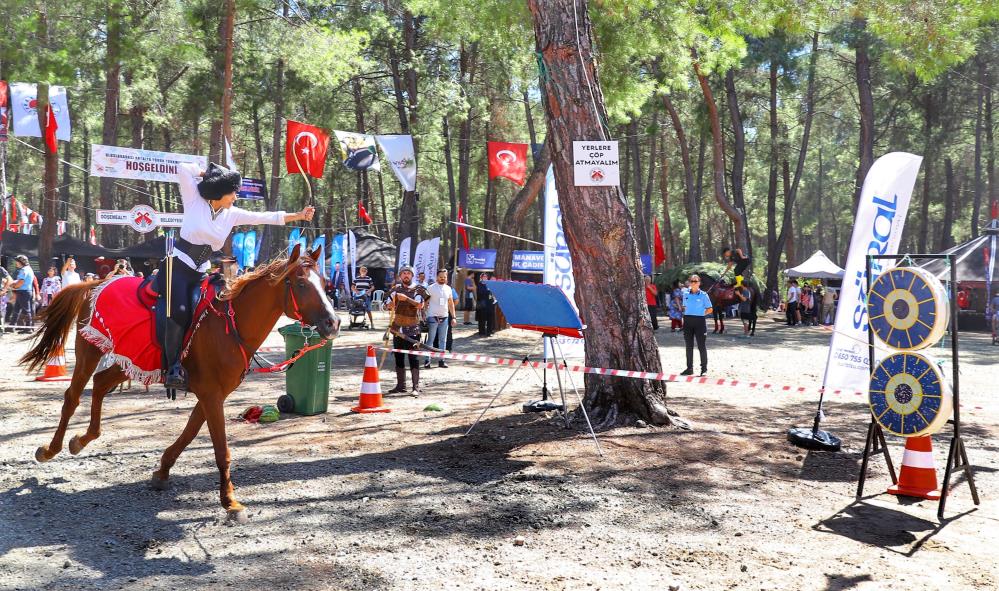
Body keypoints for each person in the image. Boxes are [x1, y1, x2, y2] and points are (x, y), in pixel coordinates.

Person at [158, 161, 315, 390]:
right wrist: (211, 174)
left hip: (202, 272)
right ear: (219, 190)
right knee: (179, 312)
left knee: (220, 310)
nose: (236, 196)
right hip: (177, 267)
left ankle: (208, 361)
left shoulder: (232, 214)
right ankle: (172, 367)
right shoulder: (194, 199)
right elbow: (183, 168)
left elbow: (265, 217)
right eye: (233, 190)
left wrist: (299, 215)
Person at [385, 265, 425, 395]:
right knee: (399, 357)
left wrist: (406, 299)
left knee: (414, 358)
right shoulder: (395, 289)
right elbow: (386, 306)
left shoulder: (419, 289)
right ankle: (401, 386)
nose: (406, 275)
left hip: (413, 330)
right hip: (397, 330)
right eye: (403, 273)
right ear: (400, 276)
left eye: (408, 273)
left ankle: (415, 387)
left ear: (412, 275)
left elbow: (420, 305)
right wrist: (389, 305)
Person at [681, 274, 713, 376]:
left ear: (699, 283)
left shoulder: (704, 295)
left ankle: (704, 369)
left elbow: (710, 309)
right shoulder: (685, 294)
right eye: (692, 281)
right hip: (687, 321)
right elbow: (684, 306)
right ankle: (689, 368)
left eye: (696, 281)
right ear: (690, 283)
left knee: (701, 346)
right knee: (688, 346)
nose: (694, 283)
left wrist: (700, 314)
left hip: (699, 322)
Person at [424, 269, 456, 368]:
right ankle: (427, 360)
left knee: (443, 340)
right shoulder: (430, 288)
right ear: (437, 277)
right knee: (431, 340)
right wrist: (424, 314)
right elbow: (425, 302)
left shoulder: (448, 289)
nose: (442, 278)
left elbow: (451, 304)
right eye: (441, 277)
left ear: (447, 278)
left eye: (444, 277)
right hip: (432, 317)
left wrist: (453, 317)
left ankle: (441, 360)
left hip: (445, 317)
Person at [10, 255, 36, 331]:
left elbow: (21, 282)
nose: (16, 263)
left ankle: (28, 328)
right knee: (16, 309)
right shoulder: (28, 269)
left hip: (23, 292)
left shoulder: (24, 270)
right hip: (25, 292)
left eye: (17, 261)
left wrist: (13, 286)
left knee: (27, 310)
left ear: (21, 262)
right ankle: (11, 326)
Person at [476, 272, 495, 336]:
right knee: (482, 319)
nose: (485, 278)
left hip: (490, 303)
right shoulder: (479, 284)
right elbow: (480, 293)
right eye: (483, 276)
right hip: (482, 304)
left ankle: (489, 332)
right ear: (481, 278)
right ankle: (481, 332)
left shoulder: (489, 284)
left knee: (490, 318)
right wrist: (487, 290)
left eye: (486, 277)